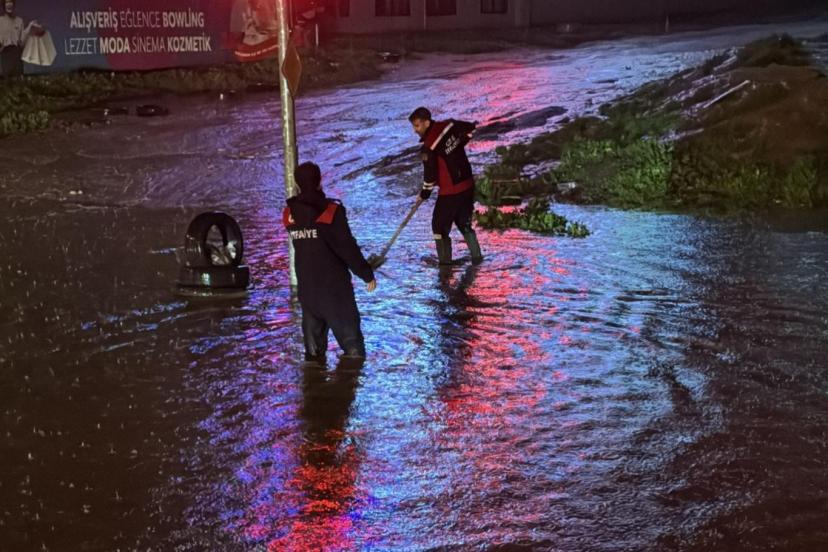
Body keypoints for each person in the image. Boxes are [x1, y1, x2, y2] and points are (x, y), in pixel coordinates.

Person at [284, 161, 377, 362]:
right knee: (354, 354)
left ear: (297, 184)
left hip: (308, 292)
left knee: (313, 358)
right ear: (319, 181)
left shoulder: (289, 215)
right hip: (335, 293)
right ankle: (348, 379)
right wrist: (366, 273)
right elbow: (347, 247)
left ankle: (313, 381)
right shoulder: (331, 212)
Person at [409, 106, 483, 265]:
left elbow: (430, 176)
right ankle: (477, 258)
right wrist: (459, 144)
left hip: (451, 192)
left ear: (427, 122)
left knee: (438, 227)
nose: (415, 130)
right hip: (468, 185)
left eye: (417, 125)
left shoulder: (429, 147)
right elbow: (470, 129)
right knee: (464, 223)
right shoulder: (450, 125)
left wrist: (423, 194)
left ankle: (445, 266)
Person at [0, 0, 34, 77]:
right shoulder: (0, 21)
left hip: (17, 53)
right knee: (7, 79)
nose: (9, 4)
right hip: (5, 53)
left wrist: (30, 26)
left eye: (11, 2)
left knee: (19, 78)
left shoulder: (19, 20)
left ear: (13, 5)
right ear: (4, 5)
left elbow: (22, 41)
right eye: (7, 2)